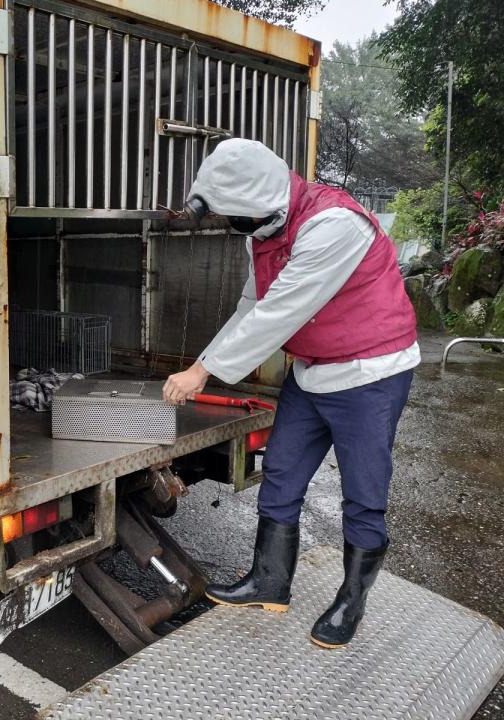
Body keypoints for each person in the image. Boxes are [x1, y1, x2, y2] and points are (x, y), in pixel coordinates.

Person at [163, 138, 418, 649]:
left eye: (235, 219)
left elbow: (279, 312)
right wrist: (201, 367)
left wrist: (202, 372)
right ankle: (270, 583)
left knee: (364, 495)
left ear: (265, 207)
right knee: (280, 473)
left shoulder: (333, 226)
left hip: (370, 373)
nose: (234, 228)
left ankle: (352, 601)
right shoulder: (261, 232)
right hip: (311, 370)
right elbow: (248, 307)